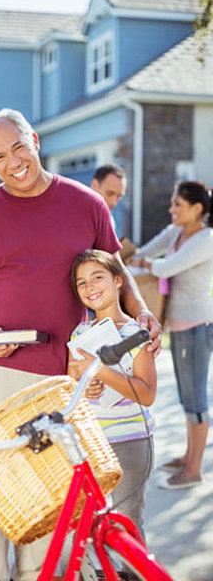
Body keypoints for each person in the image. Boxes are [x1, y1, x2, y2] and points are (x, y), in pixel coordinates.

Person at [0, 108, 160, 581]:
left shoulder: (86, 203)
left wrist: (142, 311)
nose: (13, 161)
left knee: (49, 491)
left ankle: (37, 576)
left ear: (35, 140)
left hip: (67, 372)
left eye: (18, 147)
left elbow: (116, 273)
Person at [130, 181, 213, 489]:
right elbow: (143, 253)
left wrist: (144, 263)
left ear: (197, 209)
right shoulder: (176, 232)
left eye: (178, 204)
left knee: (195, 399)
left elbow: (167, 267)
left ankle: (193, 470)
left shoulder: (207, 239)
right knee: (185, 397)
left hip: (197, 327)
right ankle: (188, 456)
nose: (171, 209)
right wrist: (136, 261)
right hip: (178, 326)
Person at [67, 249, 156, 537]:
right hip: (90, 443)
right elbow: (71, 381)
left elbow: (146, 394)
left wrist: (101, 371)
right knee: (85, 526)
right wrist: (85, 385)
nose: (90, 286)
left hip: (130, 441)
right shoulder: (79, 334)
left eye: (97, 277)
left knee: (127, 525)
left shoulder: (136, 333)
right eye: (81, 282)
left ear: (118, 280)